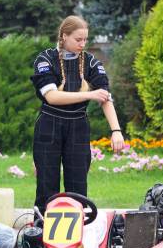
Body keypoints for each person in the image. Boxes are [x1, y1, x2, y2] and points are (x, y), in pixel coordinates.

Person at [30, 15, 124, 215]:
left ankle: (79, 229)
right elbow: (52, 97)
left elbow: (105, 97)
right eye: (78, 39)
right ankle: (42, 228)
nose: (83, 44)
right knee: (47, 184)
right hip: (49, 125)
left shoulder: (91, 62)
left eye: (85, 40)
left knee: (78, 185)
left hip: (78, 126)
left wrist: (116, 131)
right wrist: (89, 94)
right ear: (64, 36)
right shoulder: (45, 59)